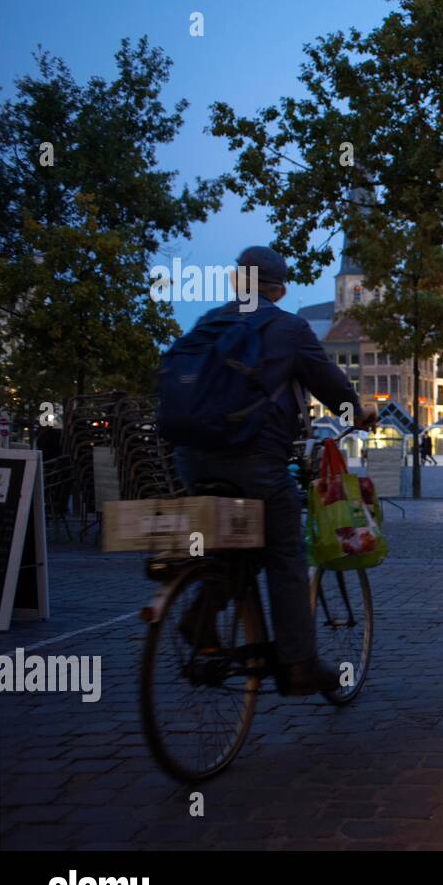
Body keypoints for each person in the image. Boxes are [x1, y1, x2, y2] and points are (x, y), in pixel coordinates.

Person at [170, 246, 377, 696]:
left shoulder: (208, 322)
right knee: (285, 550)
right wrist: (356, 414)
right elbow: (329, 383)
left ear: (236, 283)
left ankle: (198, 616)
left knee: (231, 543)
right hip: (254, 459)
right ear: (279, 289)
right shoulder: (288, 327)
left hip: (190, 457)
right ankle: (299, 663)